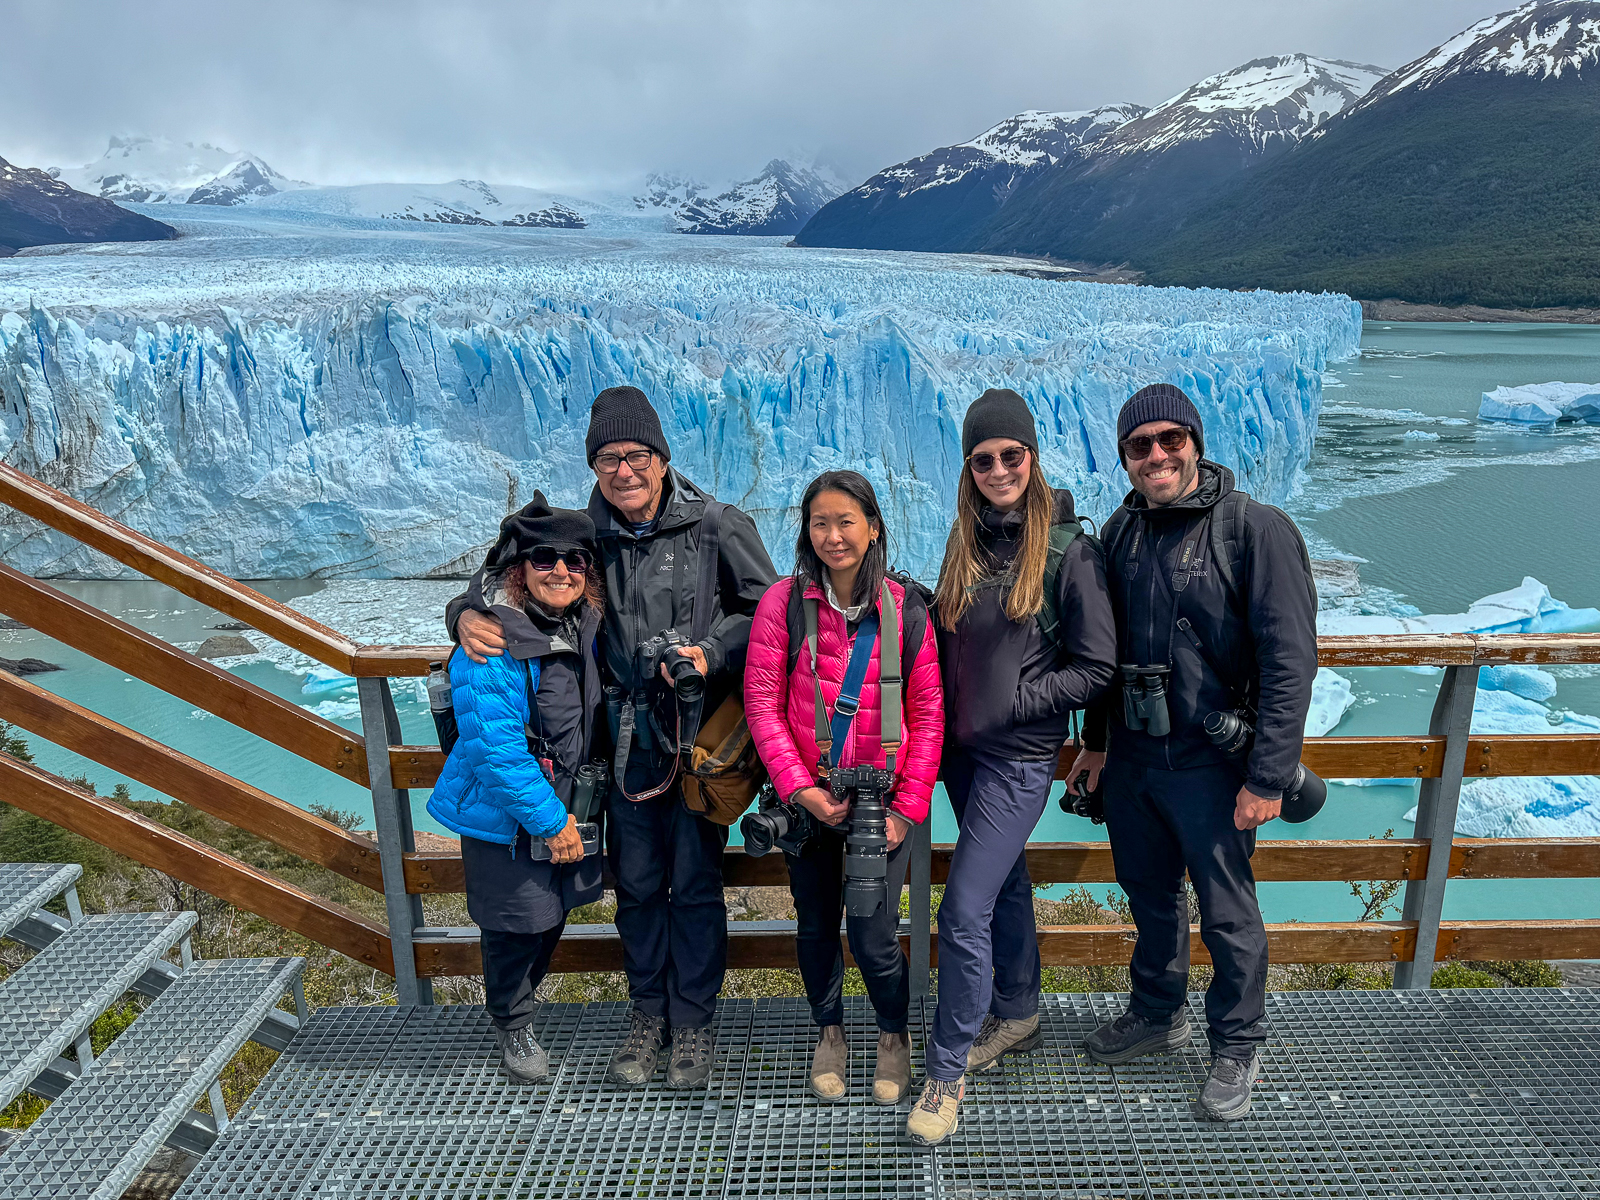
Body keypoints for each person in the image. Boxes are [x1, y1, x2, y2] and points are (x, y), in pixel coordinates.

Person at [450, 385, 776, 1089]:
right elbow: (502, 575)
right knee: (635, 885)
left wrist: (710, 653)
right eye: (607, 459)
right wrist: (461, 615)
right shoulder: (581, 530)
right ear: (594, 467)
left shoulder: (717, 525)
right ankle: (646, 1017)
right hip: (614, 747)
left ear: (661, 457)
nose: (623, 471)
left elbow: (766, 609)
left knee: (692, 884)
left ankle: (691, 1024)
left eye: (635, 455)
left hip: (694, 744)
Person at [1070, 382, 1318, 1122]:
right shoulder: (1119, 534)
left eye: (1170, 439)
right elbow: (1104, 658)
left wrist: (1268, 775)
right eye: (1140, 445)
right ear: (1124, 458)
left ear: (1196, 444)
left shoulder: (1254, 530)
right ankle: (1157, 1011)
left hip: (1215, 766)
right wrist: (1095, 744)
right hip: (1138, 763)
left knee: (1227, 913)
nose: (1157, 456)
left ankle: (1237, 1043)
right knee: (1149, 900)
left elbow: (1290, 660)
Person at [907, 388, 1117, 1146]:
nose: (999, 468)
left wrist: (1025, 697)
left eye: (1011, 455)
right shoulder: (967, 541)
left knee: (961, 908)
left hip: (1018, 759)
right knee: (1003, 886)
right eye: (983, 458)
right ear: (969, 467)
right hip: (960, 754)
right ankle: (1019, 1012)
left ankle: (946, 1067)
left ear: (1032, 458)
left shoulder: (1067, 551)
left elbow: (1098, 667)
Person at [743, 470, 943, 1106]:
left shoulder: (906, 610)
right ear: (806, 531)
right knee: (814, 923)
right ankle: (828, 1031)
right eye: (820, 523)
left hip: (879, 805)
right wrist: (799, 789)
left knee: (873, 931)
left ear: (873, 527)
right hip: (808, 802)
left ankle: (892, 1034)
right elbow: (763, 703)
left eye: (845, 522)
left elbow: (929, 713)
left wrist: (908, 808)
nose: (833, 536)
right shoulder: (783, 604)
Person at [426, 493, 605, 1084]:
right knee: (514, 921)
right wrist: (550, 821)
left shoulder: (582, 625)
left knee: (549, 915)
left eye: (575, 560)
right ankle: (514, 1022)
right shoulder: (492, 639)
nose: (561, 571)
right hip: (510, 815)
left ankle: (517, 1011)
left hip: (563, 801)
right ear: (519, 569)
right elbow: (494, 749)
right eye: (544, 558)